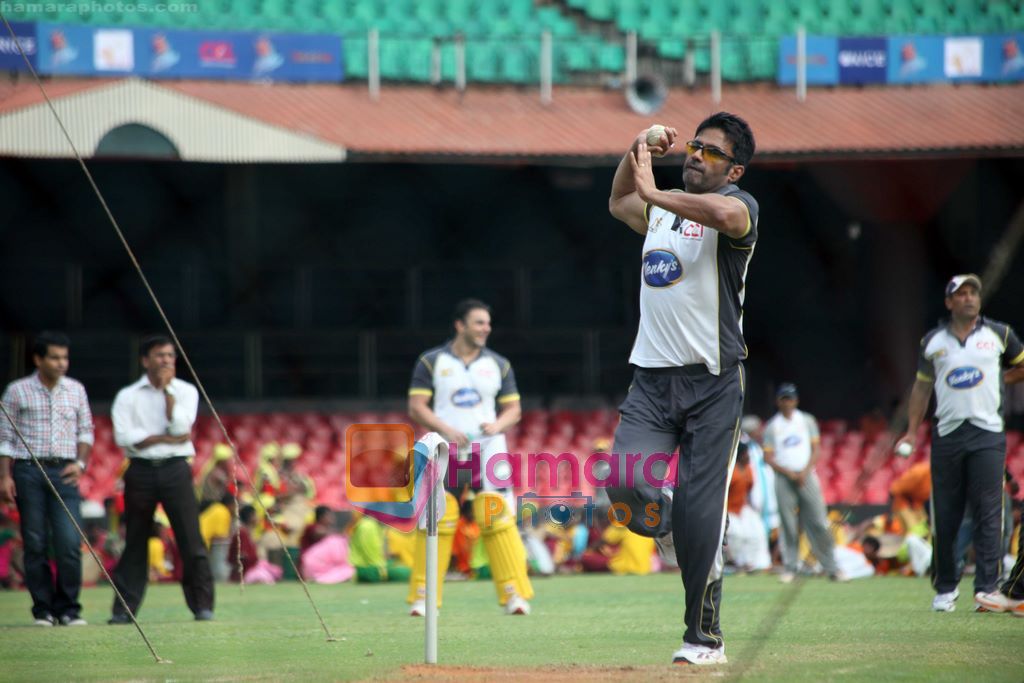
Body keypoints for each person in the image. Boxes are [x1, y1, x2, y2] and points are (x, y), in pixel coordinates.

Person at [606, 112, 758, 665]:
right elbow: (620, 200)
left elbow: (723, 213)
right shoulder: (658, 214)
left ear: (734, 168)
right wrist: (636, 150)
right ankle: (672, 531)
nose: (695, 155)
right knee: (623, 482)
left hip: (714, 382)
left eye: (711, 152)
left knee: (702, 515)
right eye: (695, 146)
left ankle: (703, 640)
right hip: (651, 378)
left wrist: (657, 191)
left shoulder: (740, 208)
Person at [896, 274, 1024, 612]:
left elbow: (1022, 365)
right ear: (949, 302)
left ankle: (987, 589)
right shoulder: (933, 341)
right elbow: (922, 388)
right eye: (961, 294)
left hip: (988, 432)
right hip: (948, 433)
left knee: (989, 512)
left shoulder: (999, 334)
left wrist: (999, 378)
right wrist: (911, 432)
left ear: (979, 301)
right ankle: (946, 587)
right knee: (947, 514)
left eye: (973, 293)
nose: (968, 298)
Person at [406, 298, 531, 616]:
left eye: (487, 323)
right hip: (444, 447)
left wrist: (496, 425)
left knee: (497, 517)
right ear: (459, 325)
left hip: (489, 449)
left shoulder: (499, 364)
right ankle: (424, 597)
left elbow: (514, 409)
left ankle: (514, 595)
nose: (485, 328)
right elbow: (416, 406)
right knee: (436, 518)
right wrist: (446, 428)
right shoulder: (432, 361)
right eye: (479, 322)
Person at [108, 335, 214, 623]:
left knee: (190, 539)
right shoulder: (128, 396)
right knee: (135, 541)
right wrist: (165, 438)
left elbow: (182, 428)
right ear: (145, 360)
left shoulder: (185, 391)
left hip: (176, 469)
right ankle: (124, 610)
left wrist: (169, 394)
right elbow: (125, 439)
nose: (166, 360)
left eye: (170, 355)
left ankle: (203, 606)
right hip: (140, 470)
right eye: (160, 355)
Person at [0, 331, 93, 626]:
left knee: (68, 542)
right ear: (38, 359)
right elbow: (5, 439)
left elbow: (86, 431)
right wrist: (5, 477)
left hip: (65, 471)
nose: (61, 363)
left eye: (64, 357)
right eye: (54, 357)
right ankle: (43, 610)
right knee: (35, 542)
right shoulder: (16, 391)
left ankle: (69, 609)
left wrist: (80, 463)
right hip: (29, 471)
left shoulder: (76, 390)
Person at [763, 383, 846, 583]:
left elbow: (816, 450)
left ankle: (832, 567)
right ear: (778, 401)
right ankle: (791, 567)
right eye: (783, 398)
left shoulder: (806, 420)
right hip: (784, 477)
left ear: (796, 400)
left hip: (807, 475)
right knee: (788, 525)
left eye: (790, 398)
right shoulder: (773, 426)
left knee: (818, 522)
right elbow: (768, 457)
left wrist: (804, 471)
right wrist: (789, 473)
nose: (787, 402)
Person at [725, 438, 771, 572]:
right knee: (738, 534)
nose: (748, 456)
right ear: (739, 455)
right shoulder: (729, 471)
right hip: (728, 509)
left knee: (758, 531)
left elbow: (749, 490)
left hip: (742, 507)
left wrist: (750, 507)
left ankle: (758, 563)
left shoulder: (749, 469)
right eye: (746, 454)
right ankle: (738, 563)